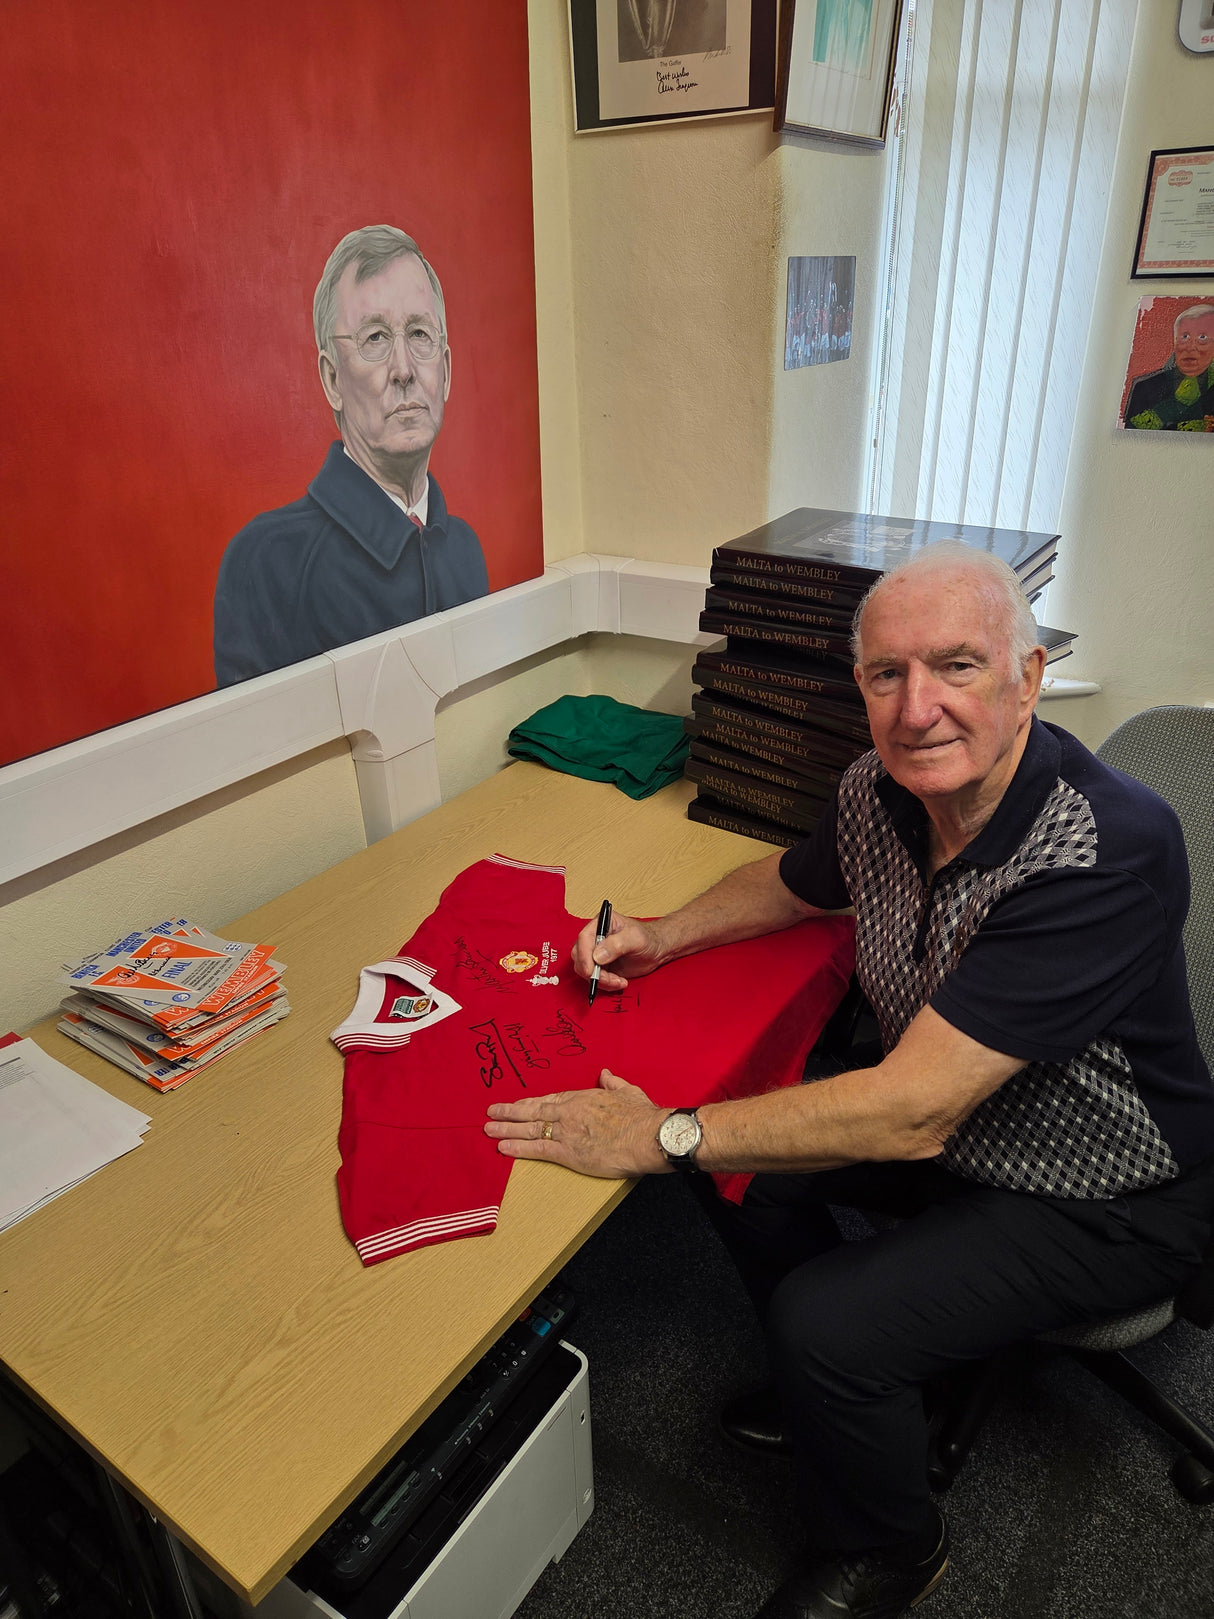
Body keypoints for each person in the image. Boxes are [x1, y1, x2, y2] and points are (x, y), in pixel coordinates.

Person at [484, 542, 1214, 1619]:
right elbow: (790, 881)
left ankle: (890, 1545)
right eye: (885, 673)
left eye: (957, 666)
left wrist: (660, 1132)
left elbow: (910, 1110)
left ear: (1026, 680)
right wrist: (659, 933)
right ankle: (863, 1389)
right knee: (743, 1173)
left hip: (1107, 1188)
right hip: (966, 1124)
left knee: (819, 1307)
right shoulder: (879, 790)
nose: (916, 707)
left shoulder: (1105, 847)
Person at [213, 226, 488, 686]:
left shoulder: (464, 551)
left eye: (419, 333)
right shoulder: (267, 563)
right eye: (375, 338)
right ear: (333, 380)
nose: (403, 370)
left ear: (446, 371)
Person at [1124, 303, 1214, 431]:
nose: (1190, 347)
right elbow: (1131, 434)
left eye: (1202, 337)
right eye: (1184, 337)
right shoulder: (1145, 387)